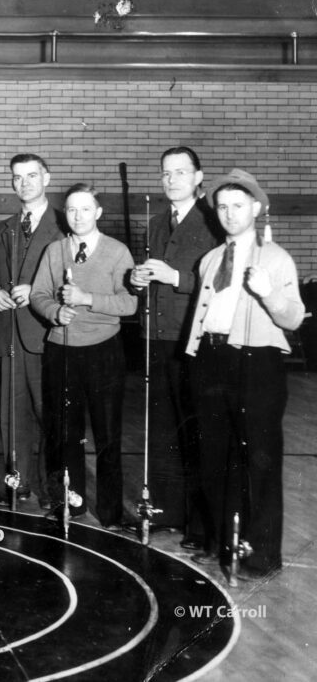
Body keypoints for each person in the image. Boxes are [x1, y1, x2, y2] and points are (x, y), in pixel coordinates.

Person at [184, 169, 303, 580]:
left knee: (259, 459)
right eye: (222, 207)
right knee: (215, 456)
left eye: (239, 205)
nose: (230, 214)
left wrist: (268, 292)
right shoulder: (211, 260)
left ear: (256, 208)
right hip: (211, 361)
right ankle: (222, 543)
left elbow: (293, 318)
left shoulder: (276, 258)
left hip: (257, 363)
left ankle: (263, 553)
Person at [129, 147, 222, 547]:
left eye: (180, 173)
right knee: (162, 429)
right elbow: (150, 276)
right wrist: (136, 278)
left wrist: (176, 276)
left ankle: (199, 523)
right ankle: (167, 510)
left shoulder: (215, 223)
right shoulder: (155, 222)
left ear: (199, 177)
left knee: (195, 429)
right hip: (156, 336)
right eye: (166, 173)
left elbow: (220, 282)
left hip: (193, 338)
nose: (171, 180)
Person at [30, 183, 137, 529]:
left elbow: (130, 302)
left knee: (107, 434)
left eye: (85, 209)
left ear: (98, 213)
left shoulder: (118, 251)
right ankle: (69, 503)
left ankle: (111, 513)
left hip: (104, 350)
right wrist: (53, 312)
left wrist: (86, 298)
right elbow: (38, 294)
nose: (78, 216)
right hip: (61, 350)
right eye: (72, 210)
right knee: (63, 434)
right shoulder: (55, 250)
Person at [0, 153, 65, 510]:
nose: (24, 183)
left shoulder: (65, 225)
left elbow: (78, 274)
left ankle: (52, 487)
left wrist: (39, 290)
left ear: (47, 177)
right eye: (17, 177)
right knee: (13, 416)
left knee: (51, 414)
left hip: (48, 333)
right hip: (9, 334)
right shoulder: (1, 230)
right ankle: (18, 481)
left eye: (32, 175)